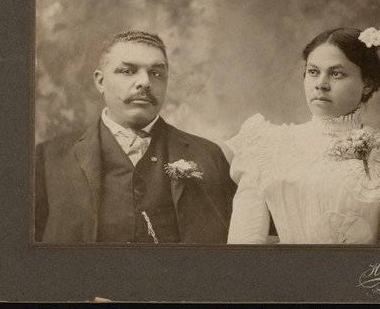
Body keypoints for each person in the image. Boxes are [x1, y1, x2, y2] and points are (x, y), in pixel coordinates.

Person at [227, 27, 380, 244]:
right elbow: (242, 248)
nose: (320, 84)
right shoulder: (266, 146)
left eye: (336, 73)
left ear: (367, 84)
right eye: (313, 72)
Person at [35, 31, 236, 244]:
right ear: (100, 81)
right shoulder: (49, 158)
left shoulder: (209, 155)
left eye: (156, 73)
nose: (145, 82)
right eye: (128, 71)